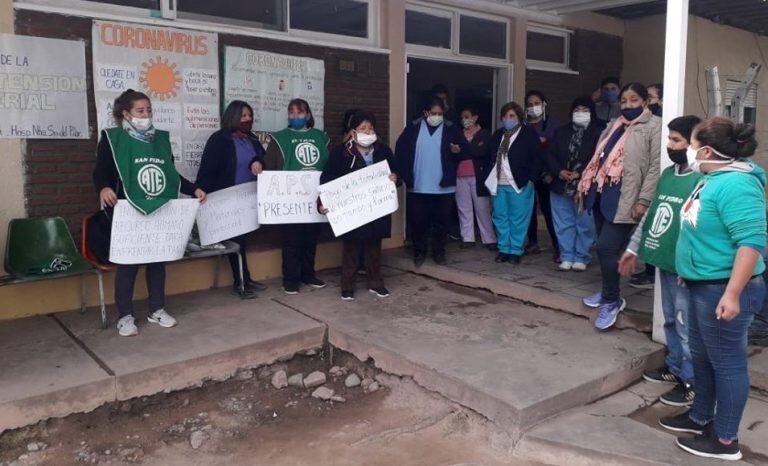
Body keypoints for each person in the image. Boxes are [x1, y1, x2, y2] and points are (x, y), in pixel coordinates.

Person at [658, 118, 765, 461]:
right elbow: (702, 230)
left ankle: (724, 440)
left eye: (689, 143)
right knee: (703, 357)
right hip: (700, 284)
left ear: (705, 150)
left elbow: (751, 243)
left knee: (728, 363)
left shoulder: (737, 184)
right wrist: (688, 270)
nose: (685, 149)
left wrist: (733, 293)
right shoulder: (712, 177)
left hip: (724, 289)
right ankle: (700, 416)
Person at [93, 89, 206, 337]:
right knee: (128, 266)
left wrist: (193, 188)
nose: (146, 115)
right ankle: (125, 316)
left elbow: (170, 176)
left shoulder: (160, 140)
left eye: (149, 110)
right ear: (126, 114)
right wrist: (103, 188)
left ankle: (157, 309)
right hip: (127, 210)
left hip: (158, 208)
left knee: (158, 262)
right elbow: (101, 171)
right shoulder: (113, 139)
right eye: (140, 111)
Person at [619, 115, 702, 408]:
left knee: (686, 325)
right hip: (665, 262)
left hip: (686, 269)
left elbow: (702, 229)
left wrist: (691, 266)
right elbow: (652, 216)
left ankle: (691, 381)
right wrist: (633, 248)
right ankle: (676, 366)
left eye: (676, 140)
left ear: (695, 144)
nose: (669, 145)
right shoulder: (668, 175)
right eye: (669, 139)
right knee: (670, 319)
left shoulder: (703, 179)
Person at [578, 82, 661, 331]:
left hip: (627, 198)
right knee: (605, 250)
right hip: (604, 195)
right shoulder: (615, 124)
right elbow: (600, 158)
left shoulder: (654, 127)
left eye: (634, 100)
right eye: (624, 101)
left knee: (605, 247)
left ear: (646, 102)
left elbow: (655, 167)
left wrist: (644, 199)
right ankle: (607, 293)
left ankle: (612, 300)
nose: (627, 105)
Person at [319, 111, 399, 301]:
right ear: (353, 132)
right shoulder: (341, 153)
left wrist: (395, 178)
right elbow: (328, 181)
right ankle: (347, 286)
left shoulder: (383, 151)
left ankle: (376, 283)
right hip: (352, 212)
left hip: (377, 209)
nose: (368, 132)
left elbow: (396, 172)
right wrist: (323, 202)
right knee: (351, 249)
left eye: (370, 128)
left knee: (374, 248)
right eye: (363, 128)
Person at [196, 100, 267, 299]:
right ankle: (241, 282)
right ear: (233, 117)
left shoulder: (251, 139)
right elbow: (208, 169)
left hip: (248, 199)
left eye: (249, 116)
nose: (248, 119)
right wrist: (202, 193)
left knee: (243, 241)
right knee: (235, 242)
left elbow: (263, 158)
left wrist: (258, 161)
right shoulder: (219, 139)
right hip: (226, 199)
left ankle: (246, 279)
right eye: (243, 116)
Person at [263, 98, 330, 295]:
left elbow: (329, 165)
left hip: (315, 197)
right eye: (291, 113)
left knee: (311, 240)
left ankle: (308, 274)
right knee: (291, 242)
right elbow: (270, 168)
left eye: (300, 113)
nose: (295, 116)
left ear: (308, 115)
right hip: (290, 201)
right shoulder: (279, 138)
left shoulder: (321, 137)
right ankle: (290, 280)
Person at [395, 97, 467, 266]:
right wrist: (405, 176)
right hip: (418, 187)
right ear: (425, 112)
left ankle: (439, 253)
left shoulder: (451, 129)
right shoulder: (413, 128)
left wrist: (458, 151)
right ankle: (419, 252)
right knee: (418, 223)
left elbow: (465, 150)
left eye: (440, 114)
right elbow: (401, 151)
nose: (437, 116)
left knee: (441, 224)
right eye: (433, 113)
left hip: (443, 188)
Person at [545, 97, 605, 271]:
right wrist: (560, 171)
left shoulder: (598, 133)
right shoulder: (560, 131)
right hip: (561, 184)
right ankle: (566, 255)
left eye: (585, 109)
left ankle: (581, 256)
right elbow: (549, 154)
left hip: (585, 185)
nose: (580, 113)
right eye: (577, 109)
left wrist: (581, 173)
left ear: (591, 112)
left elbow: (599, 157)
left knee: (585, 223)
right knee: (563, 223)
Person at [484, 102, 542, 264]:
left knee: (518, 218)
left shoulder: (528, 134)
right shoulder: (497, 135)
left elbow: (537, 158)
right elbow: (489, 156)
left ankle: (516, 250)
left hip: (520, 184)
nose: (508, 119)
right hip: (498, 183)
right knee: (500, 217)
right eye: (505, 116)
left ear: (519, 117)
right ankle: (503, 249)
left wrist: (531, 179)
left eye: (512, 116)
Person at [524, 90, 559, 260]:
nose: (533, 107)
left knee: (548, 209)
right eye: (530, 104)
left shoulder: (551, 124)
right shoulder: (523, 126)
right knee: (529, 209)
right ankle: (532, 242)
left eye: (536, 103)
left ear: (544, 104)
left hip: (546, 174)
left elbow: (554, 147)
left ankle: (557, 244)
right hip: (529, 173)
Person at [455, 104, 496, 249]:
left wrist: (463, 150)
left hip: (478, 176)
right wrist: (469, 150)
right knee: (463, 207)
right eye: (462, 118)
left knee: (483, 208)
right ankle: (467, 238)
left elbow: (482, 151)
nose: (464, 120)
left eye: (467, 117)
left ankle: (489, 239)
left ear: (475, 118)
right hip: (460, 176)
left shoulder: (484, 134)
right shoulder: (458, 134)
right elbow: (453, 153)